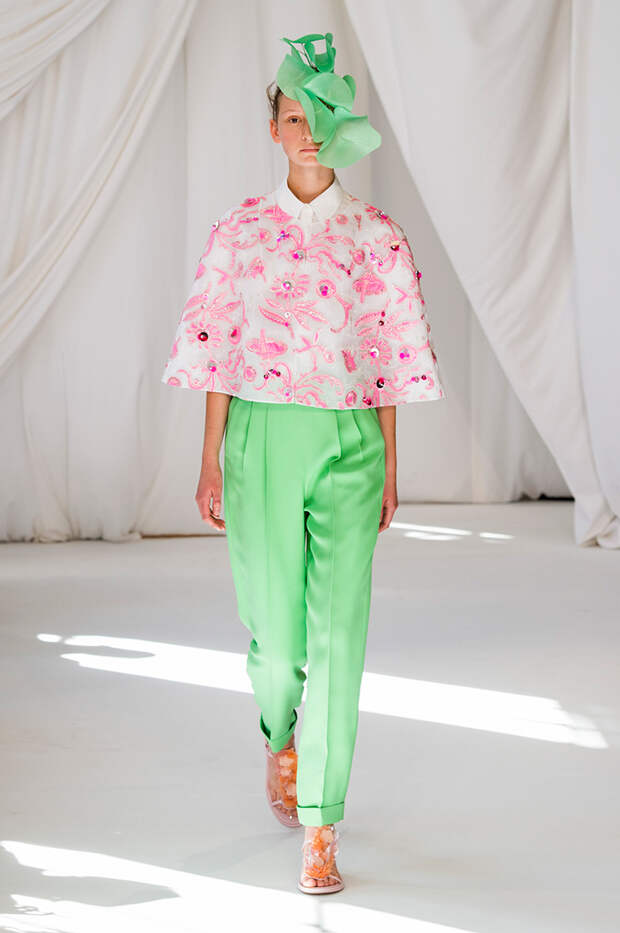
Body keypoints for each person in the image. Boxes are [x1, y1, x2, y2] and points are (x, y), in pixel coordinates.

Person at [161, 31, 446, 895]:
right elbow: (215, 346)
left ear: (340, 124)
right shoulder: (240, 233)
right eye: (293, 117)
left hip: (351, 440)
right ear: (274, 128)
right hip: (260, 436)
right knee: (277, 641)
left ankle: (322, 822)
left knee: (339, 632)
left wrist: (388, 461)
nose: (308, 132)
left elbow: (391, 353)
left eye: (320, 116)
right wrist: (211, 458)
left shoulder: (377, 237)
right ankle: (278, 732)